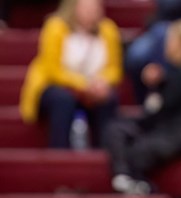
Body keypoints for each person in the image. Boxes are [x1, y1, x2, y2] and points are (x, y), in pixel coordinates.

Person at [104, 19, 181, 197]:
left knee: (139, 151)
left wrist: (157, 85)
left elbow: (162, 109)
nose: (166, 45)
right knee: (116, 129)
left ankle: (141, 187)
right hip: (165, 128)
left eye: (171, 40)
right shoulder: (176, 72)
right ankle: (124, 177)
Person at [18, 0, 121, 150]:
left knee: (108, 98)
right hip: (56, 86)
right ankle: (59, 153)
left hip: (93, 90)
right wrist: (84, 85)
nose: (91, 11)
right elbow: (52, 70)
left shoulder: (108, 29)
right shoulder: (55, 26)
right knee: (63, 100)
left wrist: (101, 83)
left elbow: (114, 69)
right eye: (86, 7)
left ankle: (105, 152)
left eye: (95, 7)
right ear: (73, 7)